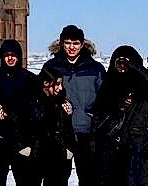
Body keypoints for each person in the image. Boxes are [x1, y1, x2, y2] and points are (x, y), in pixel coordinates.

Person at [43, 25, 105, 186]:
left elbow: (104, 100)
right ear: (62, 43)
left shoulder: (96, 69)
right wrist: (58, 105)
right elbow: (42, 96)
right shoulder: (51, 67)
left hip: (87, 132)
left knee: (89, 179)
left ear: (82, 44)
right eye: (68, 43)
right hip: (59, 133)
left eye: (75, 43)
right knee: (56, 179)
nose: (71, 47)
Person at [92, 46, 148, 186]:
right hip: (111, 147)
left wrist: (135, 66)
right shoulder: (108, 87)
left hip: (138, 147)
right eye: (119, 64)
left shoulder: (143, 88)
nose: (123, 68)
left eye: (127, 64)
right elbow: (98, 119)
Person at [0, 39, 35, 186]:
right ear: (2, 56)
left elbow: (34, 106)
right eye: (7, 54)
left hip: (21, 138)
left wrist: (11, 110)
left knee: (25, 180)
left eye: (13, 54)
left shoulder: (29, 79)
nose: (10, 58)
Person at [16, 67, 76, 186]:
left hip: (58, 157)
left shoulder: (62, 104)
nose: (60, 88)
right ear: (46, 83)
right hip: (33, 157)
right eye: (57, 84)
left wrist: (69, 149)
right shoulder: (29, 102)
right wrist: (24, 147)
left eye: (61, 84)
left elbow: (68, 129)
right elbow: (19, 126)